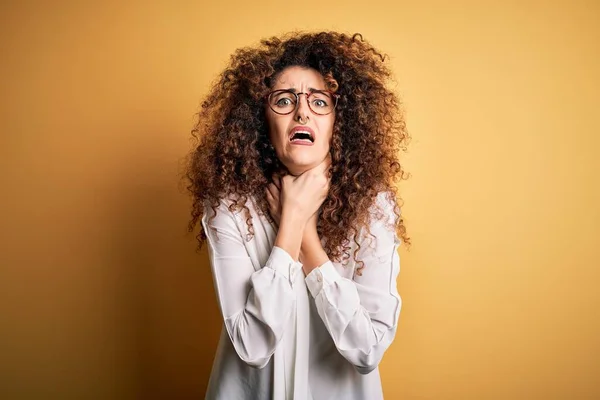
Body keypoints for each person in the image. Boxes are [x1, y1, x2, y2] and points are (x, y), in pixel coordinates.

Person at [185, 31, 410, 400]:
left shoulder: (374, 207)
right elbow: (252, 345)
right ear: (260, 121)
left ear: (341, 122)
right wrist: (288, 226)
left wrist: (306, 233)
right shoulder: (230, 206)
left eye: (320, 102)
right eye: (285, 100)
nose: (302, 111)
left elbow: (367, 348)